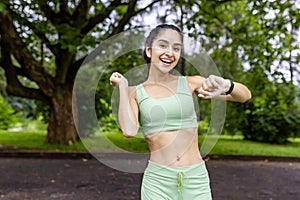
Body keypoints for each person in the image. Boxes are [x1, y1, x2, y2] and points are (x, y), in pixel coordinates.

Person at [109, 24, 251, 200]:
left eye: (176, 48)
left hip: (196, 180)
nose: (170, 52)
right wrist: (123, 87)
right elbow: (129, 131)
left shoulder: (191, 83)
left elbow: (245, 95)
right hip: (158, 182)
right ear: (148, 50)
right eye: (163, 45)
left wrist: (226, 85)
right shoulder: (134, 92)